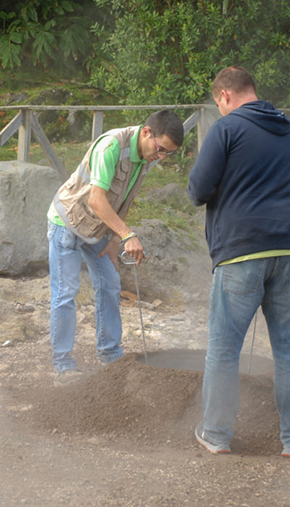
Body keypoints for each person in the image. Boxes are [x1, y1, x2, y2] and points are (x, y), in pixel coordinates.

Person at [187, 66, 290, 458]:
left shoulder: (226, 129)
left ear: (225, 96)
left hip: (243, 250)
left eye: (218, 104)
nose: (220, 110)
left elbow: (197, 190)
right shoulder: (289, 130)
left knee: (225, 348)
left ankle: (215, 433)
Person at [48, 109, 184, 385]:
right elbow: (98, 200)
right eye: (161, 149)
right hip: (68, 223)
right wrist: (126, 235)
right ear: (147, 132)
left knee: (110, 284)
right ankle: (63, 366)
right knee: (66, 293)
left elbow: (125, 198)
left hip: (98, 229)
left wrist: (112, 240)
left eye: (167, 154)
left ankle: (111, 356)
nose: (161, 157)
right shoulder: (111, 146)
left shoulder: (146, 156)